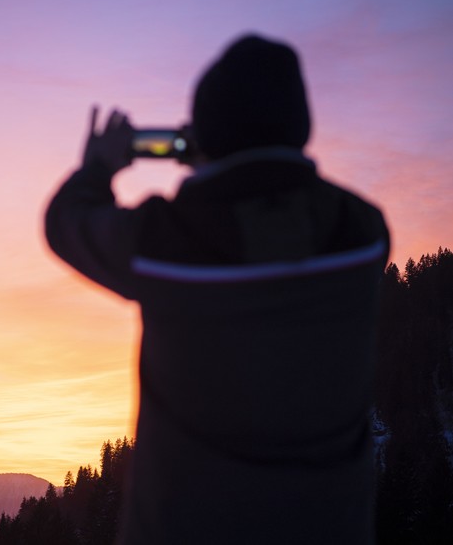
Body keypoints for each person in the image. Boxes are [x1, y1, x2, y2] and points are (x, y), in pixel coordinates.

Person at [44, 34, 389, 544]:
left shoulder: (167, 241)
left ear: (206, 134)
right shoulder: (363, 233)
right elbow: (274, 223)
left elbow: (66, 221)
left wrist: (98, 168)